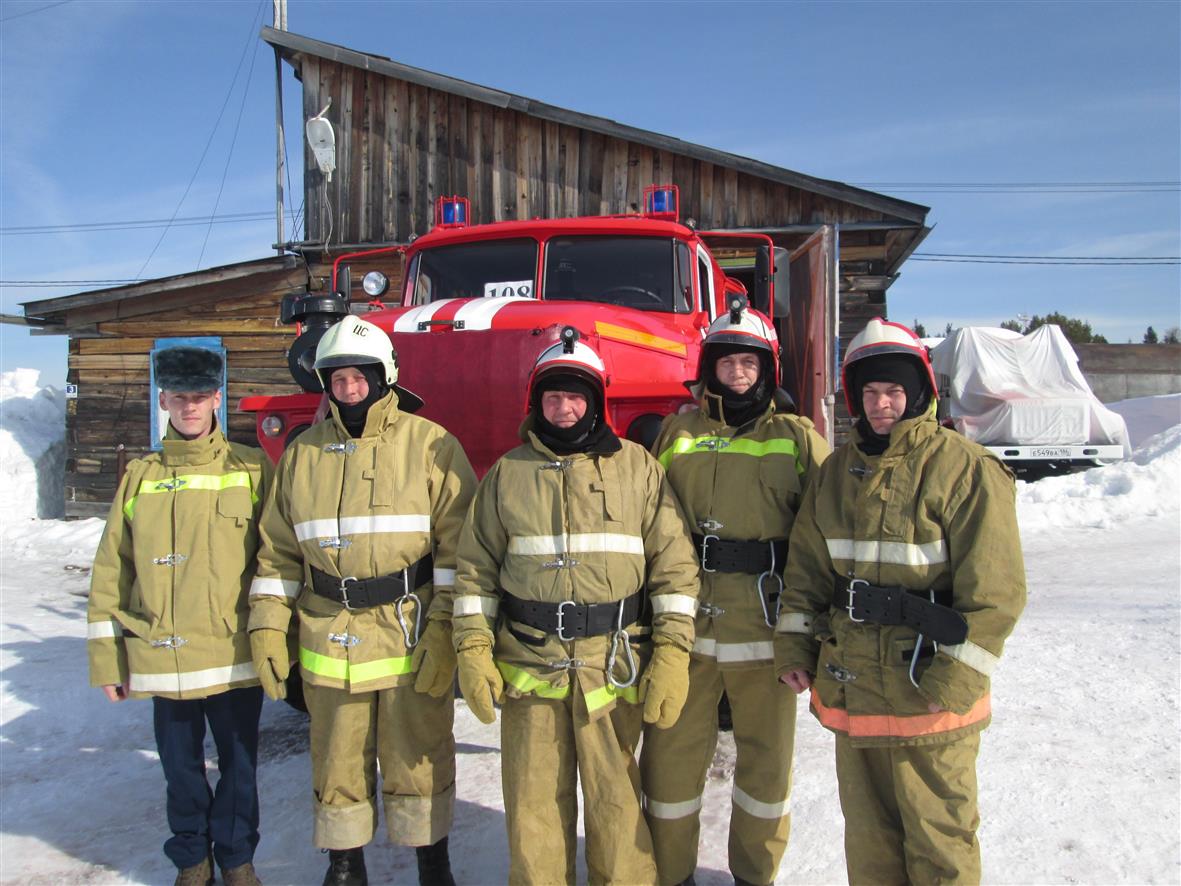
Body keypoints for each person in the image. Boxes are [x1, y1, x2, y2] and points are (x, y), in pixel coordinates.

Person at [775, 317, 1026, 884]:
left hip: (929, 697)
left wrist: (952, 687)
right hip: (854, 690)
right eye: (870, 392)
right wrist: (794, 646)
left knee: (941, 844)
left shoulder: (966, 469)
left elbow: (997, 596)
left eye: (893, 391)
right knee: (871, 845)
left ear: (918, 393)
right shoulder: (835, 472)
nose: (881, 404)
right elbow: (808, 571)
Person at [451, 327, 700, 886]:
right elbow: (474, 572)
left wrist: (674, 654)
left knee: (617, 805)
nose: (564, 408)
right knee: (534, 805)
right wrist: (472, 647)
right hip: (530, 667)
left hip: (612, 666)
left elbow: (675, 569)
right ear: (536, 403)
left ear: (597, 402)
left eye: (576, 396)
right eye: (552, 397)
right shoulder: (505, 475)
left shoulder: (639, 468)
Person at [247, 318, 476, 886]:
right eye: (338, 378)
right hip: (329, 634)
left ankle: (433, 864)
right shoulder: (302, 455)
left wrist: (446, 630)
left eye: (360, 376)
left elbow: (460, 549)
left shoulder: (431, 445)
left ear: (385, 377)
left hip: (409, 632)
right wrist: (268, 629)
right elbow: (278, 553)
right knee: (337, 759)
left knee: (419, 756)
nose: (349, 388)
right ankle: (345, 867)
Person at [639, 296, 830, 886]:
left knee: (766, 770)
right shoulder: (677, 431)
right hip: (686, 629)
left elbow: (828, 531)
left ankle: (755, 874)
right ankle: (672, 874)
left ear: (766, 370)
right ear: (711, 365)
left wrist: (814, 629)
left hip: (765, 630)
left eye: (750, 364)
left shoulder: (796, 438)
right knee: (669, 766)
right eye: (729, 363)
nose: (739, 374)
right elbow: (643, 514)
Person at [87, 346, 270, 886]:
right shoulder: (140, 476)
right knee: (181, 770)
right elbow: (110, 571)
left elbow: (277, 558)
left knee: (240, 768)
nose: (190, 407)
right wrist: (107, 657)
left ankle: (237, 861)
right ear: (163, 400)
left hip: (232, 651)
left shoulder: (252, 467)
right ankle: (192, 859)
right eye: (179, 397)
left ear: (217, 398)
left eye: (200, 396)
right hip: (162, 654)